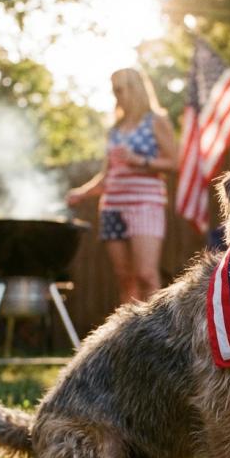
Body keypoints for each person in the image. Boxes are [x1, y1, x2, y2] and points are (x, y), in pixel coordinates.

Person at [66, 68, 178, 303]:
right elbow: (107, 176)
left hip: (144, 206)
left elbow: (175, 162)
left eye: (119, 89)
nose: (116, 96)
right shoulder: (115, 129)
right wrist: (82, 193)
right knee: (124, 277)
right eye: (113, 91)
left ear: (135, 88)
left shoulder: (155, 120)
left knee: (146, 275)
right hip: (112, 207)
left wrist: (140, 161)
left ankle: (156, 335)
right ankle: (129, 337)